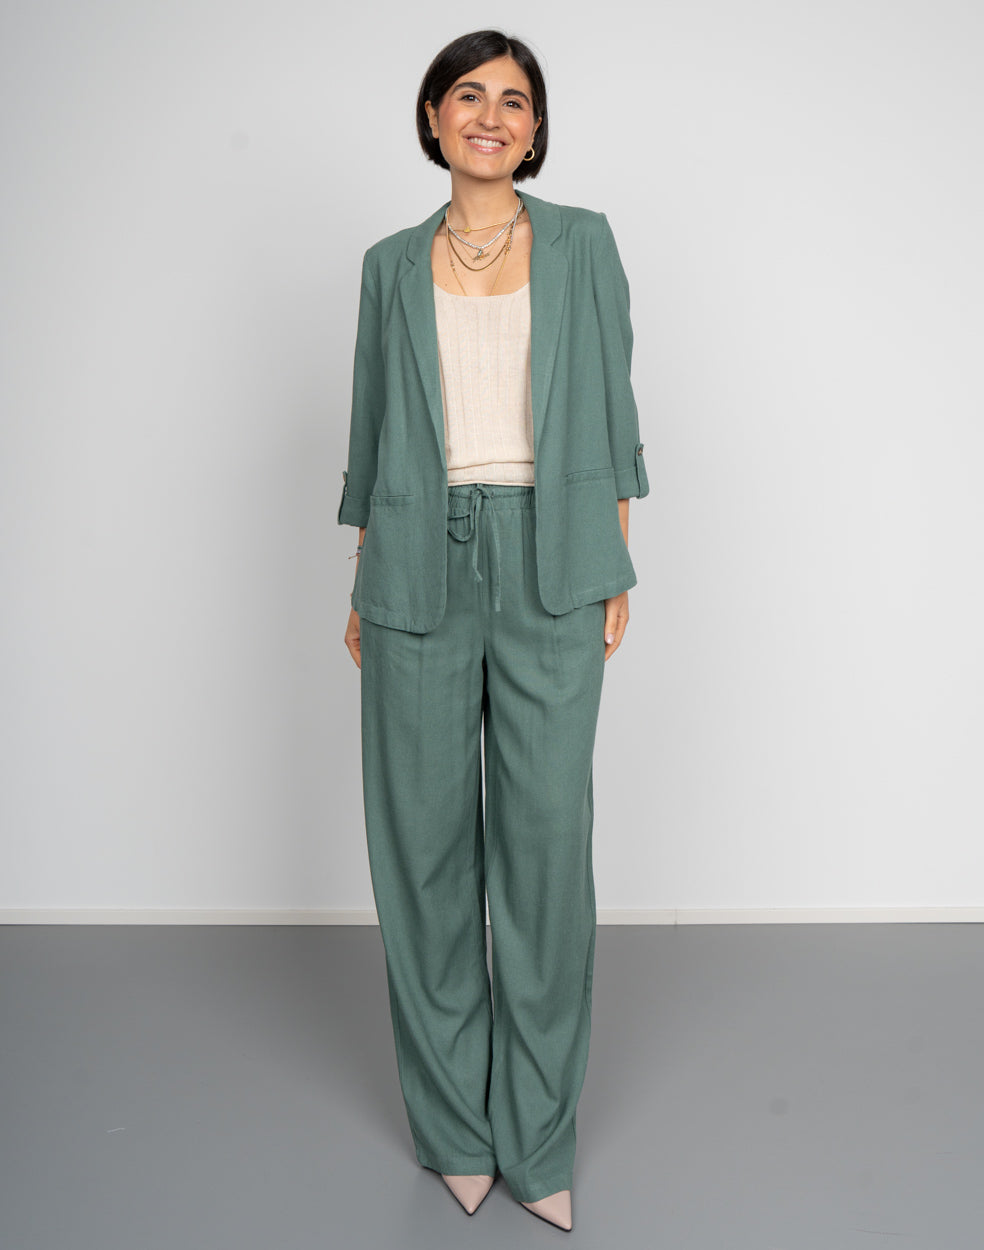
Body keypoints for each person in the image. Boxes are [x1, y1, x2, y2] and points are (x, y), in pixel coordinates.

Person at [338, 29, 650, 1232]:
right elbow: (373, 422)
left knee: (544, 851)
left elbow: (613, 400)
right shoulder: (386, 264)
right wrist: (363, 574)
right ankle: (454, 1130)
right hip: (415, 559)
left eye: (514, 100)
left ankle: (538, 1133)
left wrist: (614, 551)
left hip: (552, 554)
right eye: (467, 94)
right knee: (420, 853)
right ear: (432, 117)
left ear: (535, 129)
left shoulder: (581, 241)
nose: (490, 114)